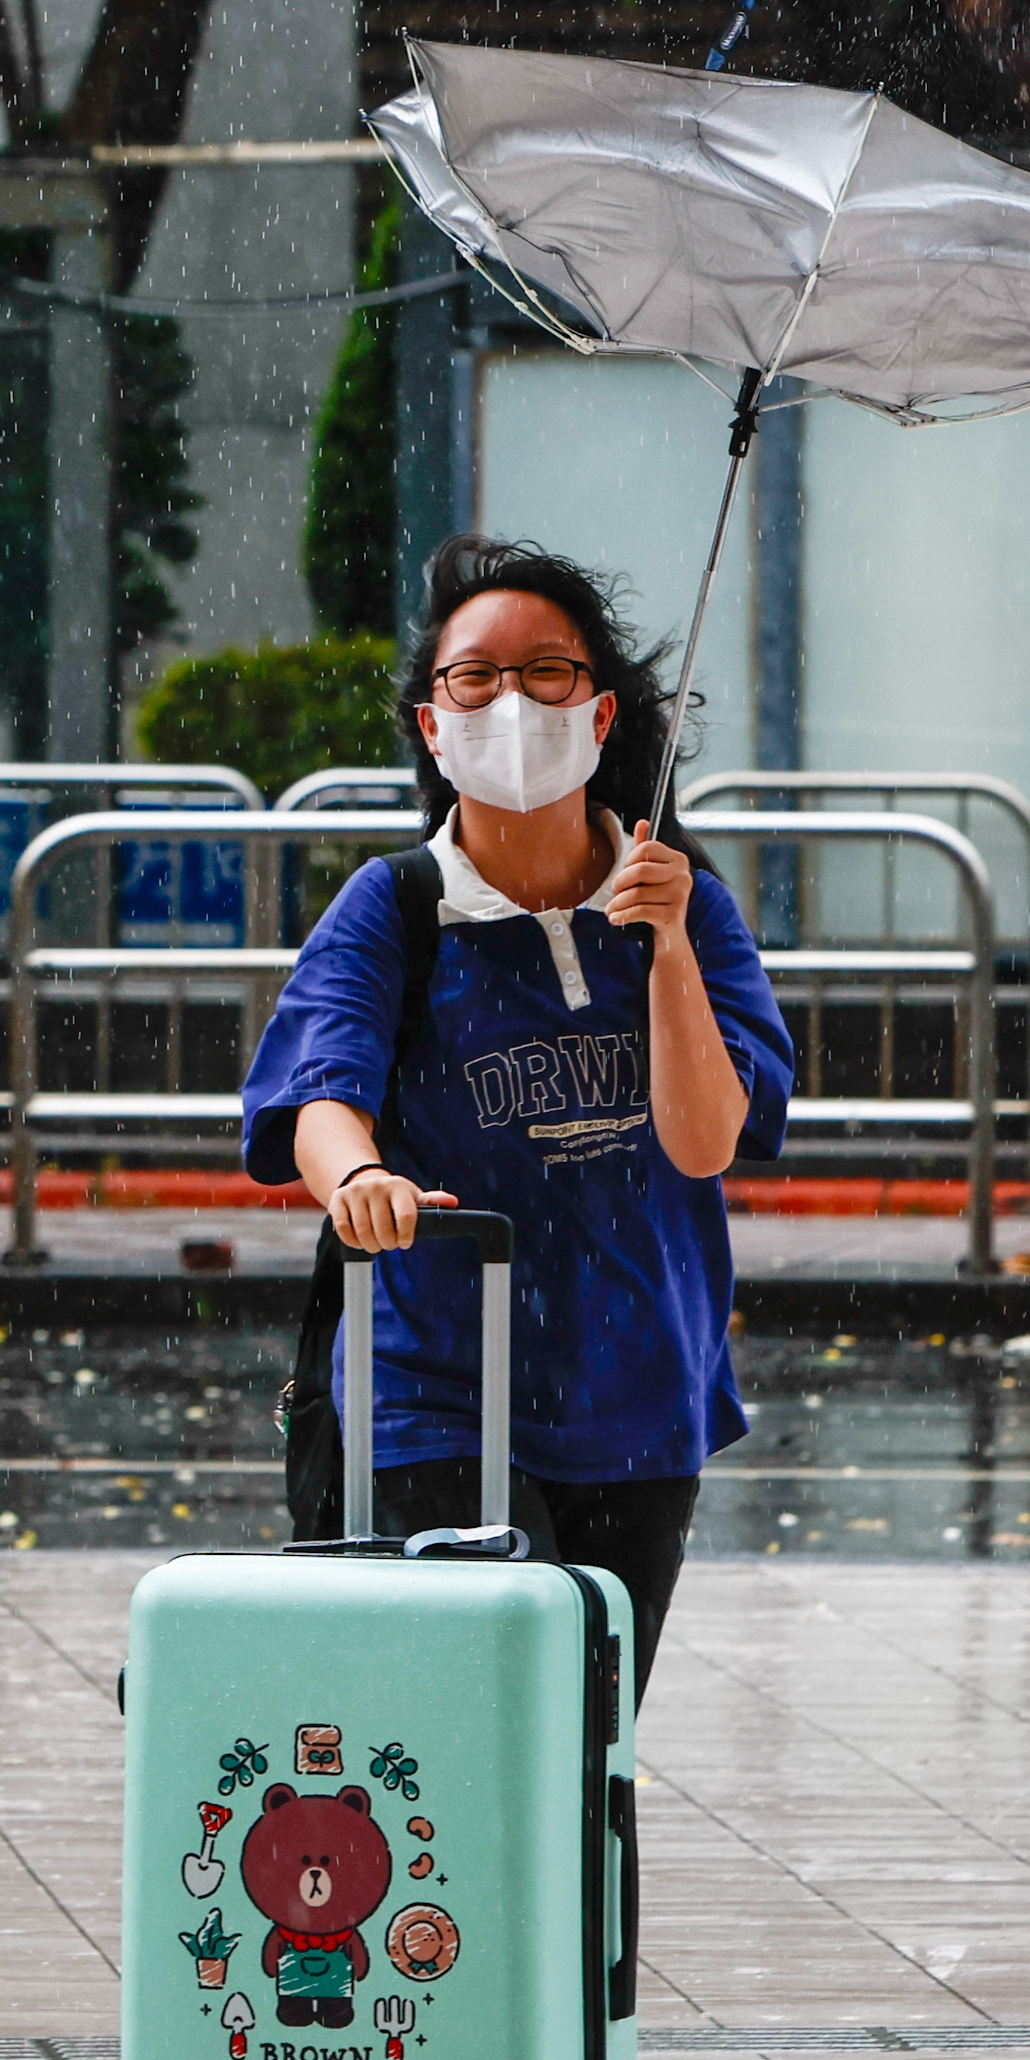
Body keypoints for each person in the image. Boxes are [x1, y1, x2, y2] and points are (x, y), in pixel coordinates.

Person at [240, 537, 798, 1699]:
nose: (511, 703)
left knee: (589, 1742)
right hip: (436, 1391)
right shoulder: (395, 904)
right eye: (474, 678)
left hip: (641, 1391)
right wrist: (358, 1181)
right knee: (484, 1726)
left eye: (547, 672)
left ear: (601, 714)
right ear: (431, 725)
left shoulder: (688, 906)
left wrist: (668, 948)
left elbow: (706, 1140)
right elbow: (316, 1093)